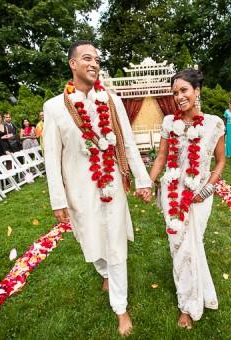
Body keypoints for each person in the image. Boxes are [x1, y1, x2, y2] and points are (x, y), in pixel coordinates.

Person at [43, 40, 152, 336]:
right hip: (80, 191)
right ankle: (103, 271)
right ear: (73, 64)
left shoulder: (111, 101)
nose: (94, 64)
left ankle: (121, 307)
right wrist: (58, 200)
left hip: (113, 186)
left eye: (98, 60)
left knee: (115, 244)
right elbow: (51, 158)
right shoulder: (54, 107)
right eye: (87, 58)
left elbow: (127, 142)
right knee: (91, 241)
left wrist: (142, 180)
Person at [149, 68, 225, 330]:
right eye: (175, 93)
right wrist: (149, 181)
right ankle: (187, 306)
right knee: (179, 248)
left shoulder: (214, 123)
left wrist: (207, 189)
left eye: (184, 90)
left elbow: (221, 160)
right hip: (172, 193)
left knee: (194, 245)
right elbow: (161, 157)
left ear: (197, 91)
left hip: (199, 196)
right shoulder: (170, 122)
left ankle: (198, 294)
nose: (179, 97)